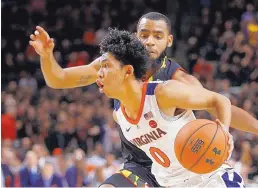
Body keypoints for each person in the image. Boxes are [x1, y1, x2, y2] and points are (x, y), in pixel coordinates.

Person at [29, 12, 257, 187]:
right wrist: (47, 57)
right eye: (144, 35)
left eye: (157, 36)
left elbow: (218, 104)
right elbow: (58, 79)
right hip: (143, 165)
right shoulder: (110, 65)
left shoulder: (175, 82)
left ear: (169, 41)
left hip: (187, 166)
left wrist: (246, 129)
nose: (149, 41)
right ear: (135, 37)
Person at [95, 28, 244, 187]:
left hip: (211, 179)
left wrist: (224, 133)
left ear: (128, 71)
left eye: (106, 66)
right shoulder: (119, 116)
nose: (99, 73)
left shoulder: (163, 93)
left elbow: (219, 100)